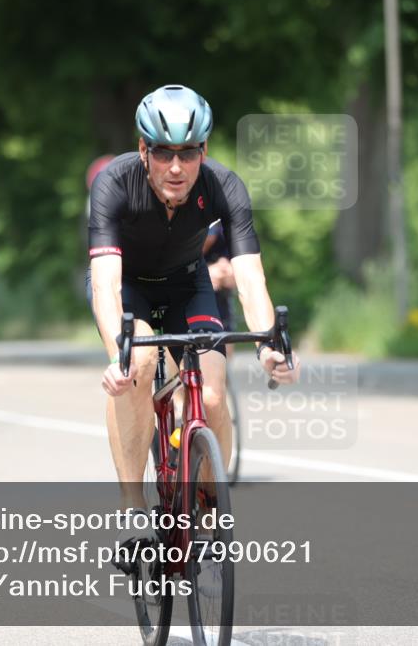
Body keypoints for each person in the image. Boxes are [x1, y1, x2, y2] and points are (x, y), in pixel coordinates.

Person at [86, 85, 301, 533]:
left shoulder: (224, 185)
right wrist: (116, 357)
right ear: (143, 149)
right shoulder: (114, 183)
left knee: (215, 394)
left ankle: (209, 505)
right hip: (129, 288)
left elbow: (250, 278)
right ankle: (132, 508)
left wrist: (268, 349)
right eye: (164, 153)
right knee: (139, 365)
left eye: (189, 153)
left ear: (204, 150)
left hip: (188, 284)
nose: (177, 167)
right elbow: (105, 283)